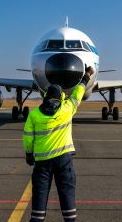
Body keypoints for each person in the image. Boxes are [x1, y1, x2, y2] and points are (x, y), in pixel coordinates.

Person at [23, 65, 94, 222]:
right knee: (66, 191)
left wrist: (29, 154)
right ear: (60, 97)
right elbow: (78, 94)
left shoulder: (34, 114)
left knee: (40, 194)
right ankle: (70, 220)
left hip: (42, 162)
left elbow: (28, 137)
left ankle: (37, 219)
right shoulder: (67, 109)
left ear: (46, 96)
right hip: (63, 160)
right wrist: (86, 76)